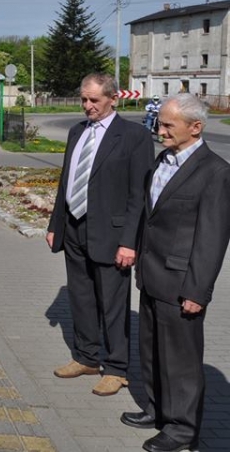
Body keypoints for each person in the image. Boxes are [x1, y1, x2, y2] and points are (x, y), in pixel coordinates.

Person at [120, 93, 230, 452]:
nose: (160, 129)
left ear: (195, 127)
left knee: (181, 361)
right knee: (152, 350)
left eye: (168, 124)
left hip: (182, 282)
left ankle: (182, 429)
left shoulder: (215, 172)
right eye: (160, 122)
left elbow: (212, 238)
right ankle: (157, 410)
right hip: (152, 274)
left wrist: (198, 291)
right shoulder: (163, 160)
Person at [46, 73, 153, 396]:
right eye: (84, 99)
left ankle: (117, 368)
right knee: (81, 298)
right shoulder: (77, 131)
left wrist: (129, 242)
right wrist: (55, 224)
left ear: (112, 99)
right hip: (75, 228)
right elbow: (66, 181)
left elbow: (140, 194)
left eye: (94, 100)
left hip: (112, 234)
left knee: (113, 304)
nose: (87, 106)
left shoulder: (134, 136)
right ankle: (86, 357)